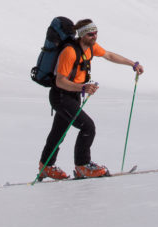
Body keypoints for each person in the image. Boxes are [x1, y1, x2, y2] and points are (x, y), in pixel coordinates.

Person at [38, 19, 144, 180]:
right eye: (90, 34)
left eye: (95, 33)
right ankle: (83, 165)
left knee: (58, 132)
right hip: (61, 96)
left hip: (73, 95)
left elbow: (109, 55)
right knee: (87, 127)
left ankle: (46, 166)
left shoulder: (91, 48)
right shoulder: (69, 52)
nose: (94, 36)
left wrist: (132, 64)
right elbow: (60, 81)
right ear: (82, 35)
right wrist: (82, 88)